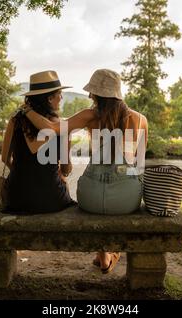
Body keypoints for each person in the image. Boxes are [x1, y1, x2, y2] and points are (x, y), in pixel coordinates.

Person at [23, 69, 148, 274]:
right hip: (125, 200)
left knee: (98, 197)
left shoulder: (89, 116)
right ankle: (111, 252)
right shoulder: (139, 119)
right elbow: (140, 165)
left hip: (90, 197)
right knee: (129, 181)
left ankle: (104, 255)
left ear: (95, 94)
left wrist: (27, 111)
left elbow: (50, 129)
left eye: (92, 93)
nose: (90, 96)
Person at [0, 70, 75, 214]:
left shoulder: (15, 120)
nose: (62, 97)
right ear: (49, 99)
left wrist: (23, 174)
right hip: (51, 199)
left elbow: (4, 158)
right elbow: (66, 170)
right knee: (63, 183)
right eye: (59, 94)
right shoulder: (62, 127)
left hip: (17, 199)